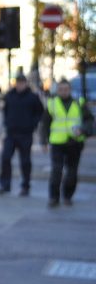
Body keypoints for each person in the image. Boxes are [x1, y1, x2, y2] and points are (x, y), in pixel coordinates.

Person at [40, 78, 93, 208]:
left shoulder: (79, 103)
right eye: (60, 89)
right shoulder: (52, 104)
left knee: (72, 172)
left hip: (75, 142)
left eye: (66, 89)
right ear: (57, 90)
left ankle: (68, 196)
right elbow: (45, 123)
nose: (63, 92)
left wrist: (83, 129)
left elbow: (90, 120)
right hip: (57, 142)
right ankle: (54, 197)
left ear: (70, 90)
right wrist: (43, 141)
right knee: (56, 171)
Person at [0, 73, 44, 196]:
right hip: (11, 133)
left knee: (25, 161)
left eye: (22, 83)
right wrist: (7, 123)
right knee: (5, 158)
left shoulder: (32, 97)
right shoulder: (9, 96)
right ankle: (5, 185)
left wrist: (33, 124)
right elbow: (5, 110)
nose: (19, 85)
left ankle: (25, 186)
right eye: (17, 82)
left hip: (25, 134)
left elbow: (40, 112)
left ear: (26, 83)